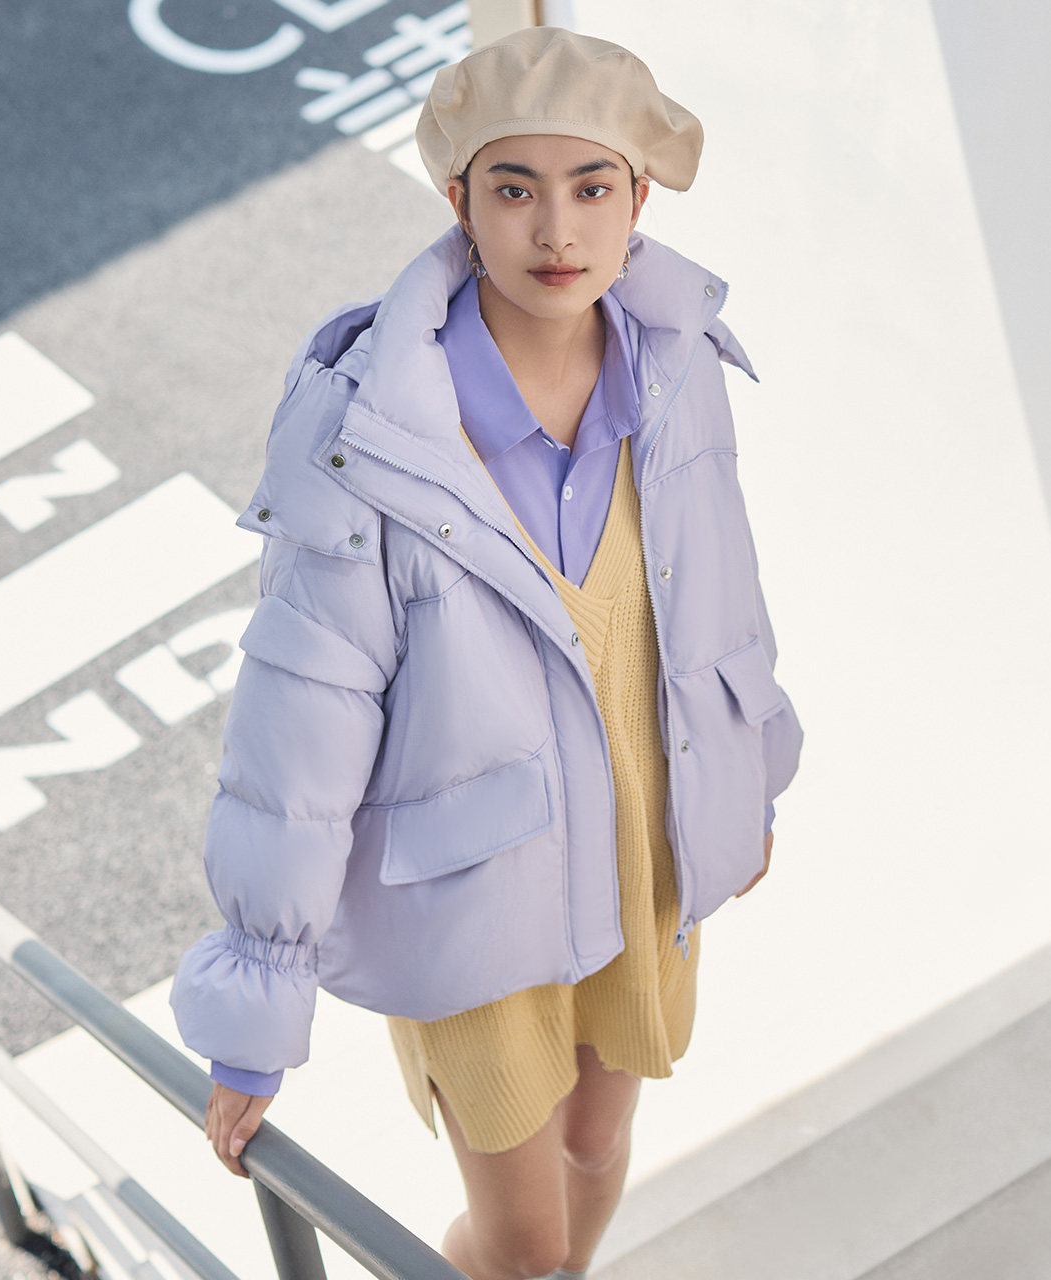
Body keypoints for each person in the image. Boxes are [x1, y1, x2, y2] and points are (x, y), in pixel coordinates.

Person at [171, 25, 803, 1280]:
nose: (555, 231)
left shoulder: (675, 362)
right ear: (459, 200)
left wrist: (748, 781)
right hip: (471, 894)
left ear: (637, 201)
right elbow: (298, 721)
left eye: (591, 188)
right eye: (515, 190)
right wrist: (254, 1013)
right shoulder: (369, 428)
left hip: (643, 848)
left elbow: (720, 598)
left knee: (597, 1145)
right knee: (521, 1246)